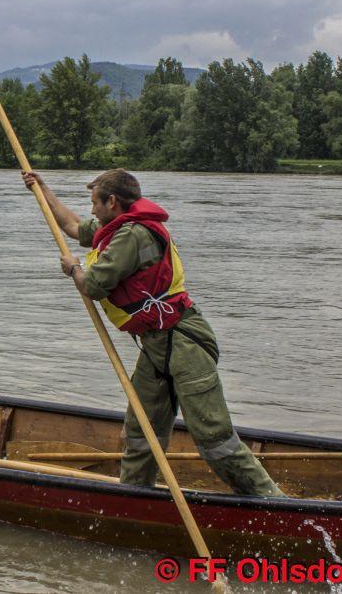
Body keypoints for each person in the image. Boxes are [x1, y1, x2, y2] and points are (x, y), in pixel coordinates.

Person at [22, 168, 282, 496]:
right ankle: (134, 499)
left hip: (184, 341)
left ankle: (273, 503)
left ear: (112, 202)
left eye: (94, 203)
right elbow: (72, 226)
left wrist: (72, 267)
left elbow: (92, 285)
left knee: (214, 439)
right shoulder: (114, 228)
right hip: (156, 345)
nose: (91, 210)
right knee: (140, 433)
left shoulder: (132, 235)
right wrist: (42, 189)